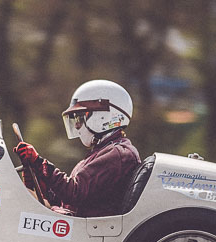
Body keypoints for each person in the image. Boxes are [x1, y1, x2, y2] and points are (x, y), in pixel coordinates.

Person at [14, 79, 141, 217]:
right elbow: (67, 200)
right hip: (81, 226)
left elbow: (75, 192)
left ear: (103, 116)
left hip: (89, 231)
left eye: (80, 118)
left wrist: (40, 163)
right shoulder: (103, 152)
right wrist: (38, 177)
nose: (76, 125)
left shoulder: (118, 154)